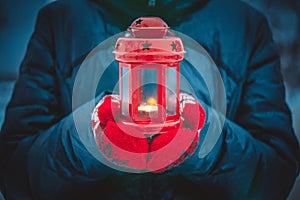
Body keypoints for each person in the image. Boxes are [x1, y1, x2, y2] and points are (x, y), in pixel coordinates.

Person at [0, 0, 299, 199]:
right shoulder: (61, 21)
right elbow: (14, 174)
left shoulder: (244, 25)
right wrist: (90, 140)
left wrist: (203, 137)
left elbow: (276, 174)